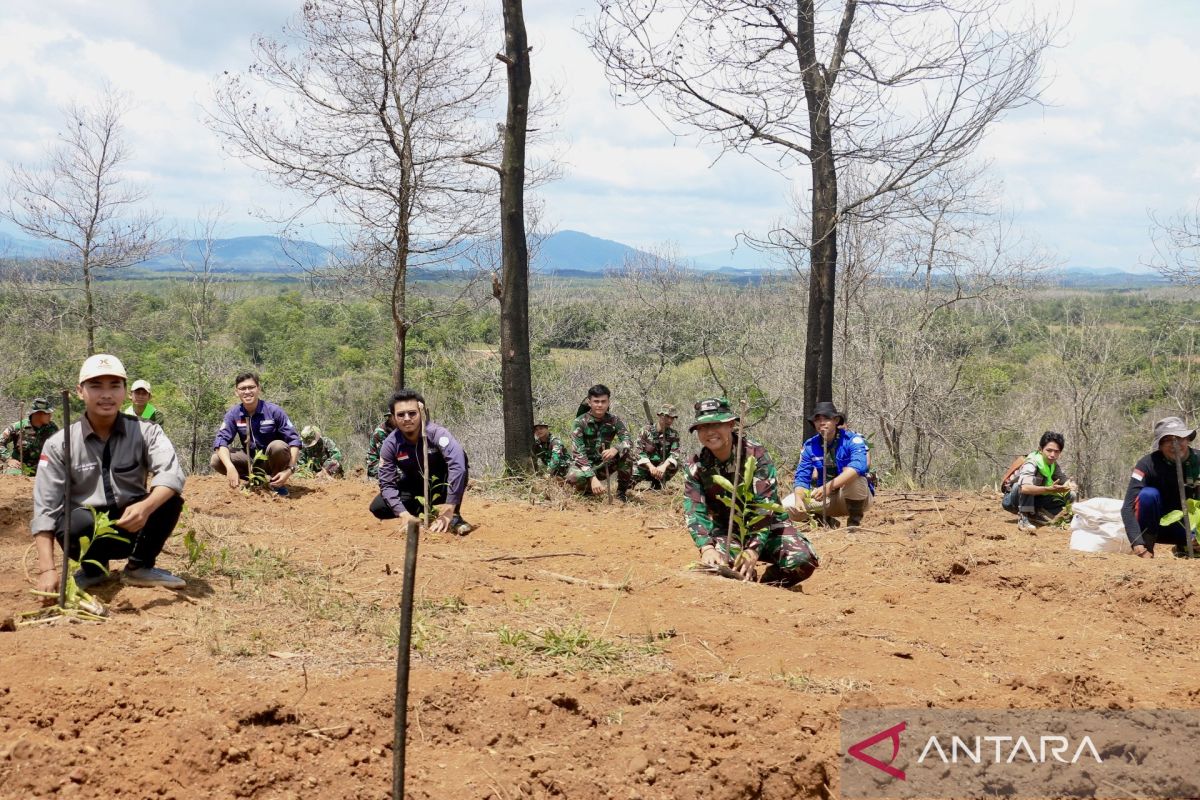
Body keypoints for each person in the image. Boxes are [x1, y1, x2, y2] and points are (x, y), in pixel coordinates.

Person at [31, 354, 186, 593]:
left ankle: (139, 567)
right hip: (87, 532)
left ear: (125, 391)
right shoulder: (59, 444)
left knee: (168, 500)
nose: (106, 394)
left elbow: (171, 474)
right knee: (74, 521)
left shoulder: (147, 432)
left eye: (115, 386)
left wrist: (145, 508)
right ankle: (94, 570)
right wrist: (47, 569)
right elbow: (45, 507)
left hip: (133, 524)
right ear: (80, 391)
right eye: (95, 386)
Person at [683, 397, 819, 587]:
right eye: (703, 427)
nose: (710, 432)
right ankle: (746, 579)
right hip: (729, 531)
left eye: (716, 424)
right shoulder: (697, 466)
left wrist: (753, 550)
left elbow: (764, 508)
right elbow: (695, 510)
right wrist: (706, 548)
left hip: (769, 526)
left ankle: (770, 586)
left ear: (731, 424)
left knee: (802, 560)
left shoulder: (756, 456)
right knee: (717, 569)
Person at [368, 389, 473, 535]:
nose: (406, 418)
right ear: (393, 417)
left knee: (461, 457)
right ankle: (418, 517)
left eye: (412, 413)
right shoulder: (390, 443)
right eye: (400, 414)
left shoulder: (438, 434)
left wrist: (449, 509)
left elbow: (458, 466)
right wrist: (403, 514)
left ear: (421, 412)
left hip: (442, 485)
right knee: (378, 507)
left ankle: (454, 516)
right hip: (415, 486)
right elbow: (386, 483)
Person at [210, 371, 302, 495]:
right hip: (250, 461)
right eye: (243, 388)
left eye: (251, 387)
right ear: (236, 392)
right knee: (216, 459)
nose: (247, 391)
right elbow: (221, 442)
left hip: (272, 460)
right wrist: (230, 467)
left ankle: (276, 483)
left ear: (258, 388)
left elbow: (294, 441)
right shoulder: (234, 414)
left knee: (278, 446)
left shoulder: (274, 411)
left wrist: (290, 469)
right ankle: (254, 481)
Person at [785, 401, 873, 528]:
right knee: (788, 506)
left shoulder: (853, 440)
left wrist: (828, 487)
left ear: (836, 420)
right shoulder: (810, 446)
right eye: (817, 419)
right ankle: (825, 521)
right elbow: (802, 477)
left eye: (826, 418)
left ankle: (854, 524)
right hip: (825, 499)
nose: (821, 422)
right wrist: (799, 497)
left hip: (852, 496)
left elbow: (859, 466)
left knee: (856, 478)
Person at [1122, 417, 1200, 558]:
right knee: (1148, 495)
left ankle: (1187, 547)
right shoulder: (1147, 464)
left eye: (1179, 438)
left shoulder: (1198, 460)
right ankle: (1147, 549)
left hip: (1190, 530)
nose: (1174, 444)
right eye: (1168, 440)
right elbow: (1127, 507)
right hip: (1156, 527)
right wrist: (1137, 543)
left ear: (1187, 439)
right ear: (1160, 445)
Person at [565, 384, 633, 500]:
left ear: (608, 402)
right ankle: (588, 490)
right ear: (589, 402)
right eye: (596, 401)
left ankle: (621, 494)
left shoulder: (614, 420)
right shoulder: (579, 422)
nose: (600, 405)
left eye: (603, 401)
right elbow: (578, 454)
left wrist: (615, 448)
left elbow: (628, 440)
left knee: (627, 456)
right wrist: (592, 478)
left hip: (603, 462)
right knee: (573, 478)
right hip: (584, 464)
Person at [1001, 431, 1077, 531]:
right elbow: (1025, 488)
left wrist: (1071, 485)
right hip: (1013, 499)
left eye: (1056, 451)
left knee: (1071, 495)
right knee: (1026, 486)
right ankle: (1024, 518)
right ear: (1040, 450)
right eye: (1049, 450)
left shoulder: (1053, 464)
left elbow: (1063, 479)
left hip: (1037, 497)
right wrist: (1049, 490)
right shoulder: (1032, 462)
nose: (1052, 455)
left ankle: (1036, 513)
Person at [631, 404, 682, 490]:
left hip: (661, 468)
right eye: (666, 417)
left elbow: (675, 453)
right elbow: (638, 451)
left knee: (675, 464)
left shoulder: (674, 434)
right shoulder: (645, 431)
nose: (669, 420)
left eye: (672, 418)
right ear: (659, 415)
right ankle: (630, 485)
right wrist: (650, 466)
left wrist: (663, 467)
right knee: (630, 475)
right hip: (646, 466)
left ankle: (658, 483)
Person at [1, 397, 58, 474]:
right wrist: (8, 459)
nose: (50, 415)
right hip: (20, 467)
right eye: (47, 413)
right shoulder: (18, 427)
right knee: (13, 474)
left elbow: (59, 448)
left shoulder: (52, 428)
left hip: (43, 467)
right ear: (37, 414)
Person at [365, 413, 395, 479]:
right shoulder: (380, 432)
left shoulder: (400, 429)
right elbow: (386, 457)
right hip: (377, 464)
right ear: (389, 418)